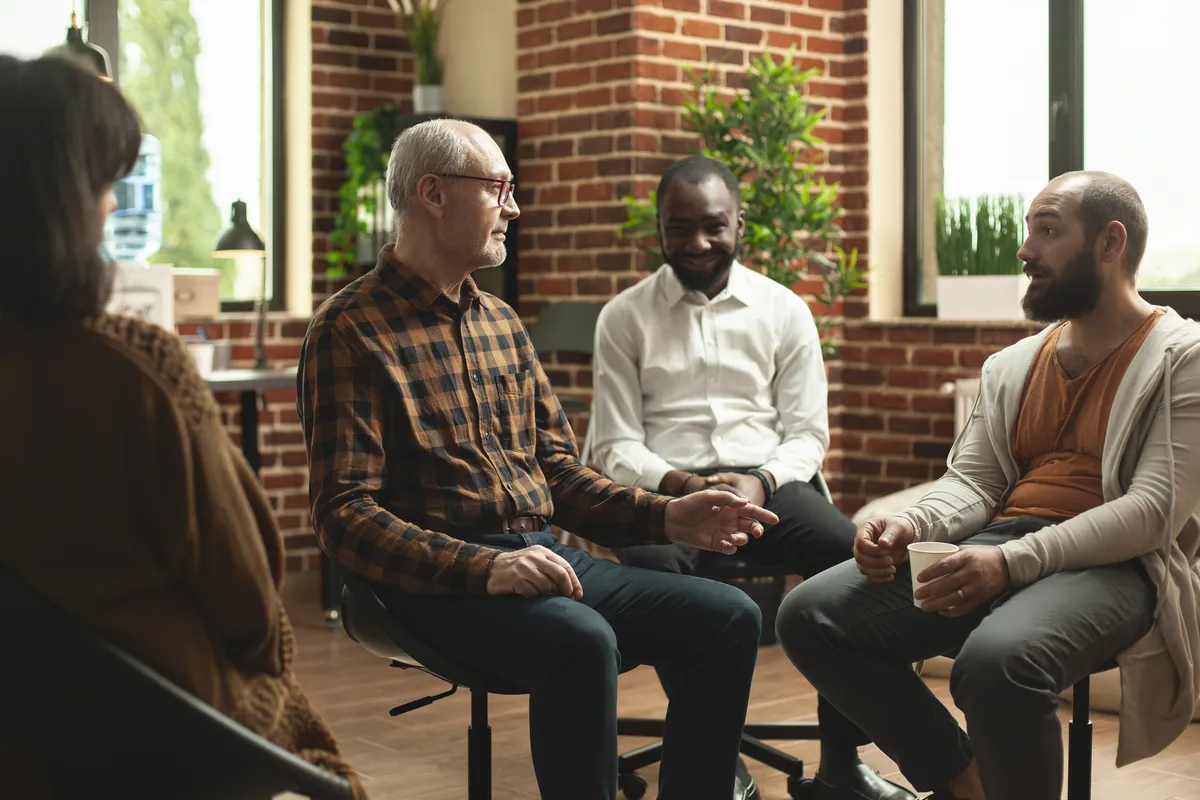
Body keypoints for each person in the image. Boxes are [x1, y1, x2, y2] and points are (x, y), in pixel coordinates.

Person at [297, 119, 784, 800]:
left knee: (729, 616)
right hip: (431, 586)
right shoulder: (348, 331)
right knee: (580, 639)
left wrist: (670, 517)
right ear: (433, 193)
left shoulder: (502, 326)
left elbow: (559, 474)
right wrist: (487, 566)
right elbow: (343, 516)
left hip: (545, 554)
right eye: (499, 189)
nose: (514, 208)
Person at [0, 55, 365, 798]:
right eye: (105, 185)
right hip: (172, 734)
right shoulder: (135, 371)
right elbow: (250, 607)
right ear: (67, 200)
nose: (111, 208)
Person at [774, 171, 1200, 800]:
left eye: (1048, 231)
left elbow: (1153, 511)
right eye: (1029, 231)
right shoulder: (1013, 365)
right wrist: (913, 525)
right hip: (1001, 541)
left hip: (1119, 565)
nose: (1026, 250)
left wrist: (1008, 562)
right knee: (811, 613)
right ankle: (965, 786)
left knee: (999, 662)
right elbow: (973, 481)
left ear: (1112, 244)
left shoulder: (1180, 358)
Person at [587, 155, 916, 800]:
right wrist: (680, 486)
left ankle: (842, 765)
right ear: (658, 228)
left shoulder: (783, 309)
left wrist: (761, 482)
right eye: (677, 228)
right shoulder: (623, 318)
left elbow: (807, 435)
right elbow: (613, 441)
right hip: (669, 490)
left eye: (713, 226)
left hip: (770, 485)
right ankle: (712, 758)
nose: (697, 244)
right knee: (657, 577)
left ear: (740, 221)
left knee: (851, 562)